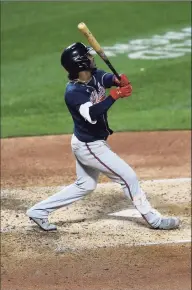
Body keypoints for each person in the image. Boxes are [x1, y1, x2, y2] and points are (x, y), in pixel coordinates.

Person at [26, 42, 180, 231]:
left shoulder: (92, 76)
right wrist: (115, 95)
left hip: (87, 142)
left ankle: (38, 211)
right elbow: (92, 114)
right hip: (89, 146)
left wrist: (117, 80)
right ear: (81, 64)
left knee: (86, 185)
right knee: (128, 177)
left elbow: (104, 78)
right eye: (88, 56)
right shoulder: (74, 93)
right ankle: (154, 220)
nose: (92, 58)